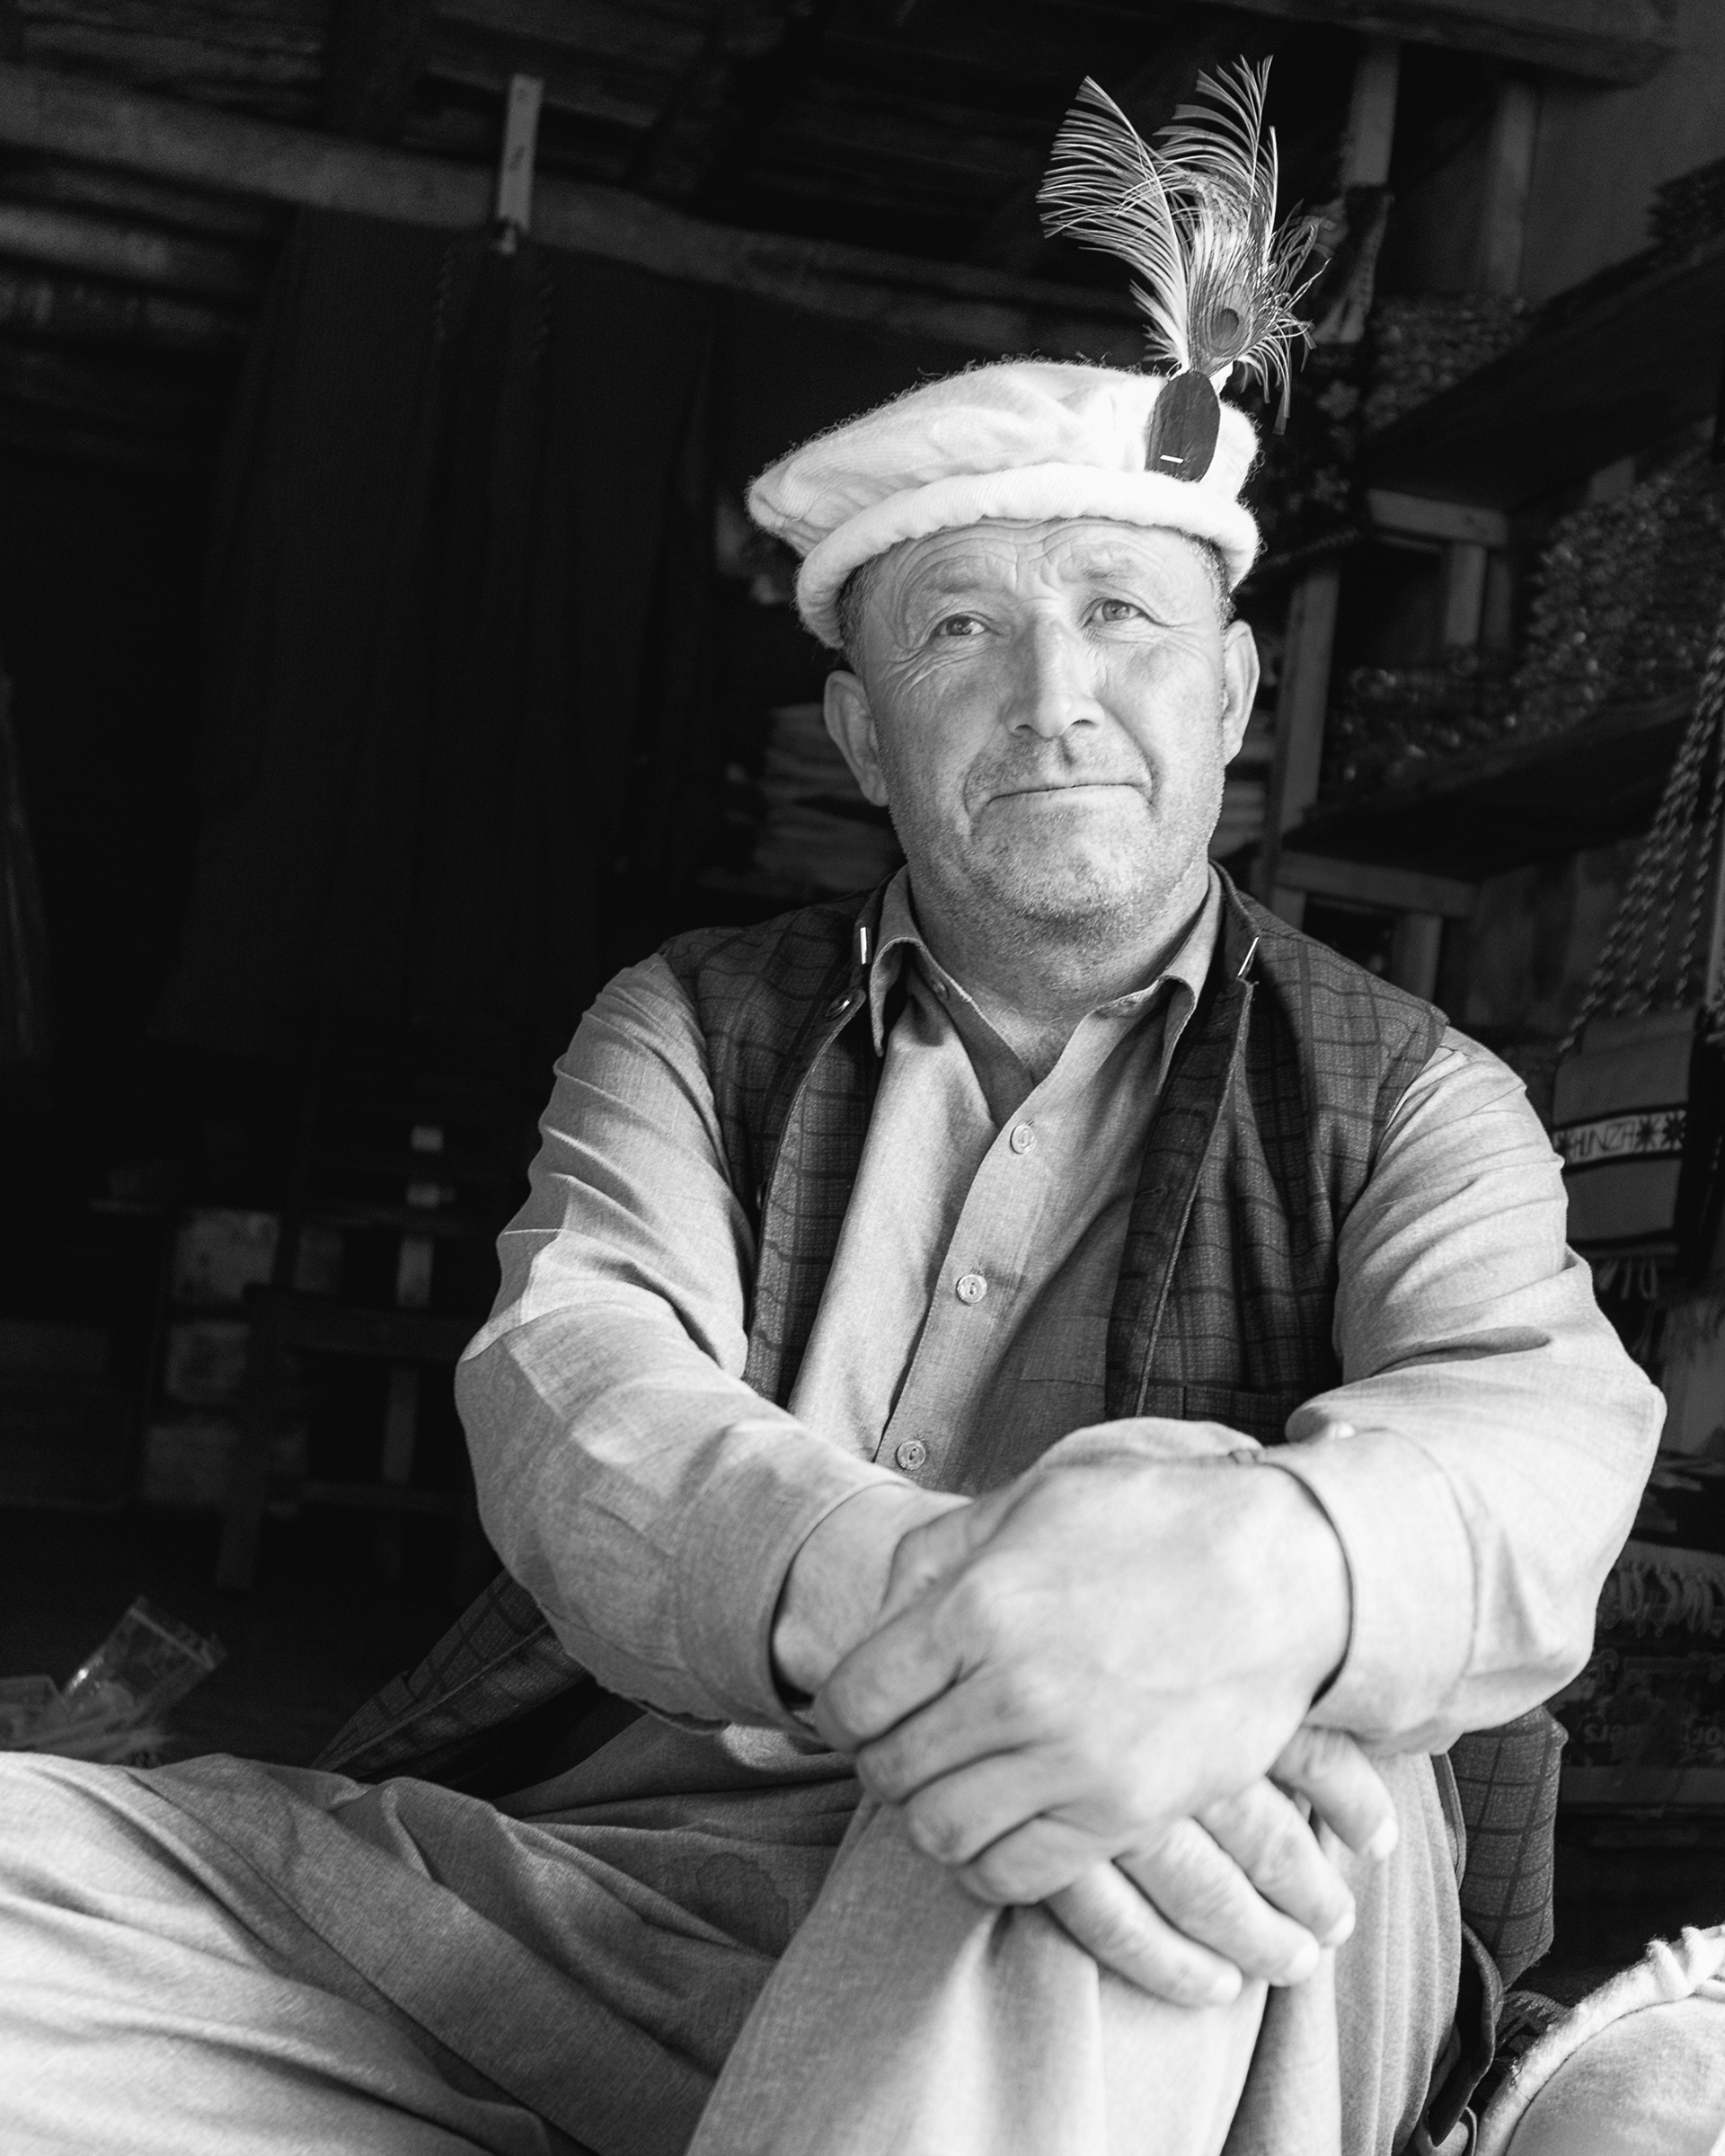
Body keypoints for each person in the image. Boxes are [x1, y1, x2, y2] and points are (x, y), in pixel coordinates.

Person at [0, 70, 1663, 2156]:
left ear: (1233, 698)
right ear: (865, 737)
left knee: (1149, 1668)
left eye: (1122, 617)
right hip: (616, 1903)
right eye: (964, 630)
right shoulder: (692, 1026)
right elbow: (574, 1386)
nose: (1055, 697)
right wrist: (959, 1614)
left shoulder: (1412, 1089)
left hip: (1166, 1896)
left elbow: (1536, 1430)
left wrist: (1251, 1579)